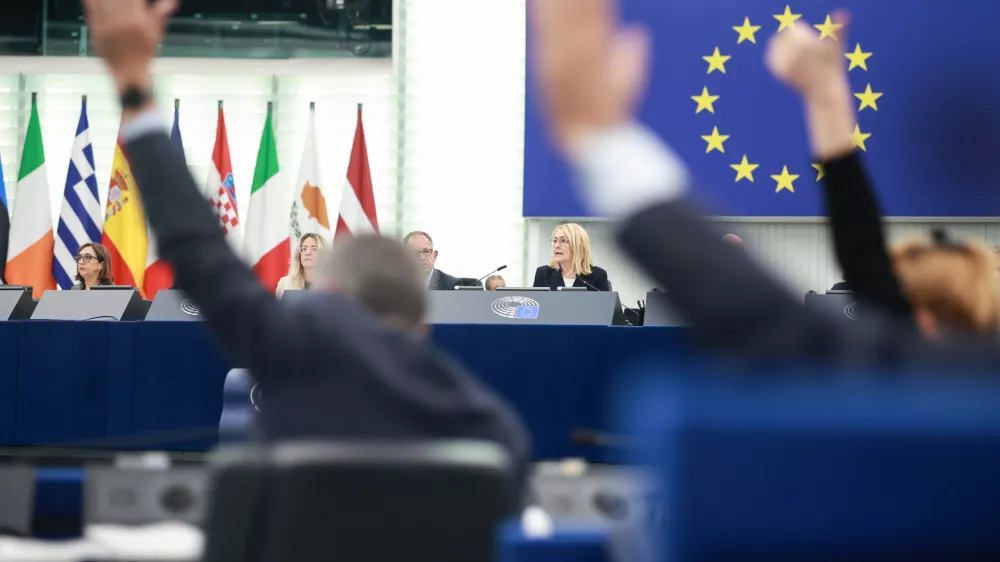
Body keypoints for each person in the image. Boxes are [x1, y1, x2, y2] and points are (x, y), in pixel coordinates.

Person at [82, 0, 528, 497]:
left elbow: (198, 247)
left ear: (331, 292)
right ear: (423, 320)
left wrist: (134, 86)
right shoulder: (488, 429)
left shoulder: (294, 351)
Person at [528, 0, 1000, 366]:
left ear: (924, 325)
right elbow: (864, 264)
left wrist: (599, 136)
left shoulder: (896, 376)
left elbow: (831, 294)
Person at [765, 9, 999, 338]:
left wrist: (825, 96)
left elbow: (860, 245)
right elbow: (861, 251)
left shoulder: (893, 361)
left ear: (924, 322)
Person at [533, 223, 611, 290]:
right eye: (555, 241)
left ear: (578, 246)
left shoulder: (598, 275)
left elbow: (606, 306)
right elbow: (534, 305)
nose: (557, 246)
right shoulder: (543, 274)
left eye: (563, 241)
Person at [275, 233, 326, 298]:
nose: (308, 253)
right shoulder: (285, 284)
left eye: (314, 249)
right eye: (304, 249)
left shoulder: (333, 287)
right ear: (299, 254)